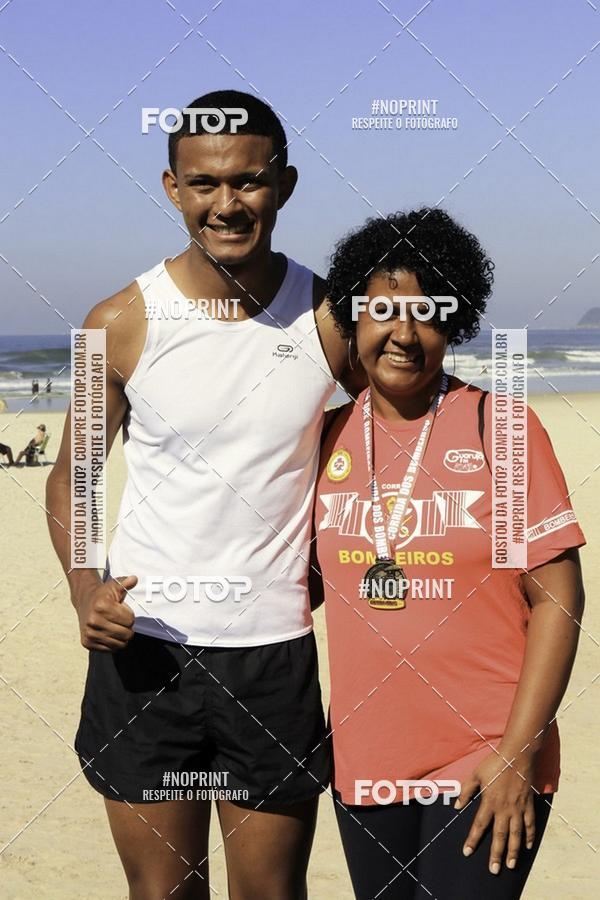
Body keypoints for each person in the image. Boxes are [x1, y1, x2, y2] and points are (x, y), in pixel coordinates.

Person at [46, 90, 363, 899]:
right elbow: (73, 471)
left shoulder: (331, 318)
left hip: (272, 652)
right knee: (163, 893)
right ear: (171, 188)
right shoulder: (112, 321)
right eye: (204, 185)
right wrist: (85, 587)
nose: (227, 205)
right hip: (143, 650)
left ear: (284, 185)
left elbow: (377, 447)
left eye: (249, 182)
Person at [313, 208, 586, 899]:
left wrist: (517, 755)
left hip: (484, 756)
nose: (403, 333)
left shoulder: (503, 426)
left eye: (427, 312)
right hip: (365, 760)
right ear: (353, 321)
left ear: (454, 323)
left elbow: (559, 598)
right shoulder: (322, 438)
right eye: (382, 311)